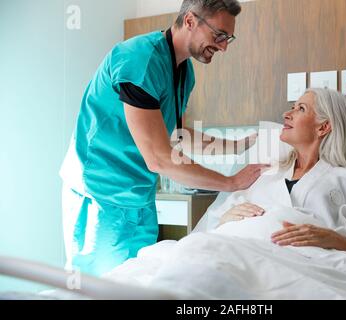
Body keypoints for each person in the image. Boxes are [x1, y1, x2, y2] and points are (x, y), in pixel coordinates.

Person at [59, 0, 268, 276]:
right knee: (97, 289)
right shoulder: (140, 60)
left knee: (138, 282)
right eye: (219, 35)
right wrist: (230, 183)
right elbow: (159, 158)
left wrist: (240, 146)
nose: (224, 46)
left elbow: (176, 135)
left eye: (228, 38)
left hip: (139, 200)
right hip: (101, 197)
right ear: (191, 21)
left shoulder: (184, 72)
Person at [206, 88, 346, 269]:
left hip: (300, 269)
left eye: (300, 109)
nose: (287, 114)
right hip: (235, 255)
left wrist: (334, 240)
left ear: (323, 127)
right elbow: (213, 226)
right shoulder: (266, 174)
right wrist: (226, 219)